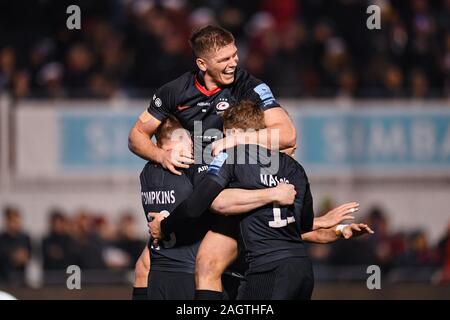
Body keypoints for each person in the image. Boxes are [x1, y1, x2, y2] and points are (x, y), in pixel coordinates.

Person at [128, 25, 297, 299]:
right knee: (145, 266)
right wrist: (161, 154)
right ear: (202, 64)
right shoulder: (175, 91)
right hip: (196, 187)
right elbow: (136, 136)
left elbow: (287, 134)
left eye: (234, 55)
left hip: (233, 187)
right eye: (224, 60)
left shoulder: (250, 86)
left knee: (208, 265)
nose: (234, 63)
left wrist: (234, 141)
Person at [149, 101, 373, 299]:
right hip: (301, 272)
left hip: (266, 271)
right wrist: (334, 228)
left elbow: (207, 203)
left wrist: (164, 226)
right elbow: (299, 227)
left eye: (226, 134)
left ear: (236, 134)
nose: (223, 139)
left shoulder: (232, 159)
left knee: (207, 266)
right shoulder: (294, 168)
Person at [134, 115, 296, 300]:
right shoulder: (190, 167)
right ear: (180, 138)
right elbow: (210, 204)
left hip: (159, 275)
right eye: (189, 138)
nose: (195, 144)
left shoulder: (146, 173)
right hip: (191, 276)